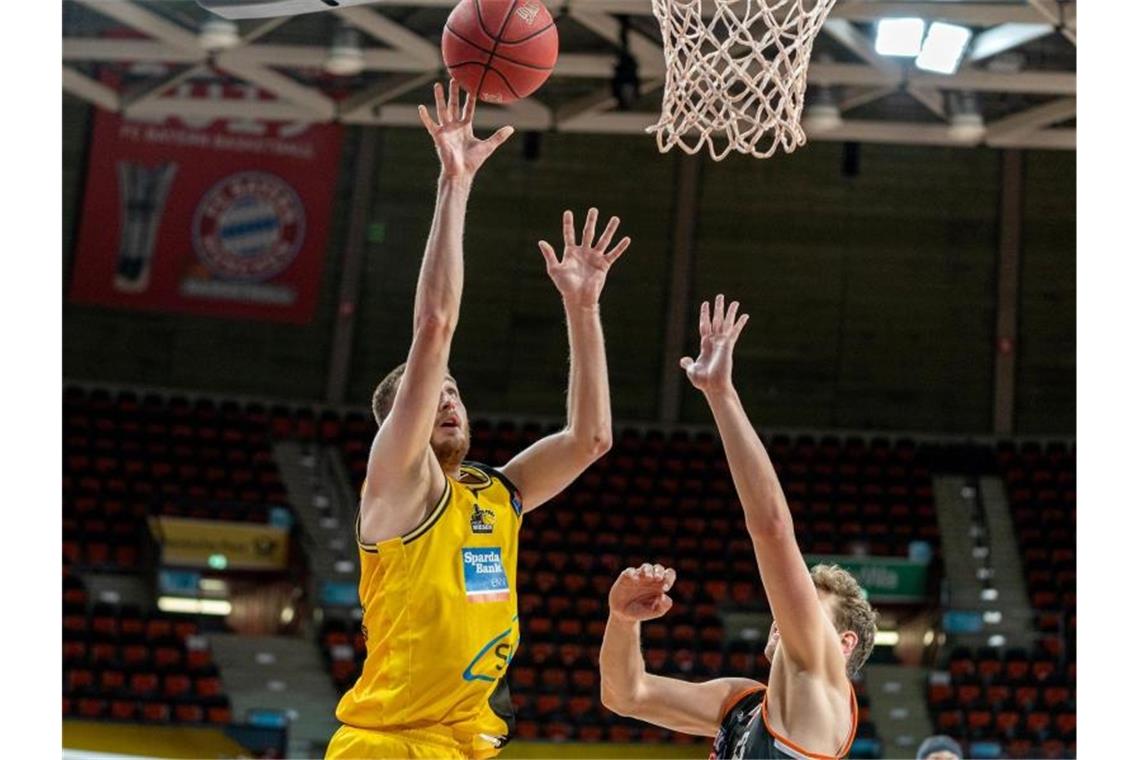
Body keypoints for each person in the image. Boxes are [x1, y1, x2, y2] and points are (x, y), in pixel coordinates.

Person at [325, 80, 631, 760]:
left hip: (470, 746)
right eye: (429, 393)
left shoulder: (496, 494)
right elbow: (434, 328)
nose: (445, 397)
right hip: (388, 745)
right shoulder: (398, 488)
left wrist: (584, 311)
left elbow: (592, 440)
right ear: (394, 429)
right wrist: (453, 183)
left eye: (452, 389)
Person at [599, 295, 878, 759]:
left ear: (843, 643)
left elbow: (771, 528)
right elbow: (626, 695)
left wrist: (720, 394)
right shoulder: (743, 704)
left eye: (810, 604)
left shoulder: (823, 694)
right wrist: (623, 621)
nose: (785, 608)